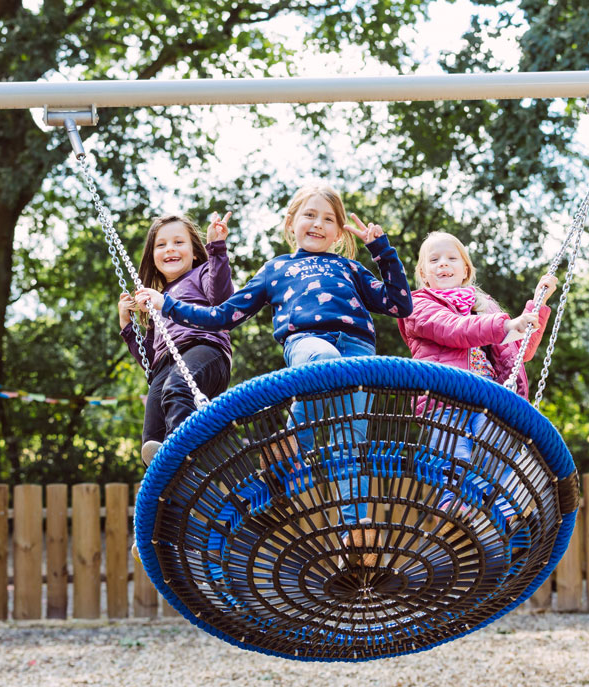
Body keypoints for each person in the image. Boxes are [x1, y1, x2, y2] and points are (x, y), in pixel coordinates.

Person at [135, 184, 413, 566]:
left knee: (351, 445)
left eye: (329, 219)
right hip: (308, 343)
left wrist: (381, 250)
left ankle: (354, 538)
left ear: (339, 232)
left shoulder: (350, 267)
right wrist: (169, 304)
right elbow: (222, 316)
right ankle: (287, 454)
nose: (318, 223)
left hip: (358, 352)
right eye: (309, 215)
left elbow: (399, 304)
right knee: (323, 360)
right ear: (291, 223)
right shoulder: (277, 269)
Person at [397, 230, 558, 535]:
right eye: (434, 259)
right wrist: (506, 325)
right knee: (453, 455)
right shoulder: (418, 305)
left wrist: (535, 306)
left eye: (451, 257)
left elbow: (518, 351)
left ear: (466, 269)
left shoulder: (485, 307)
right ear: (423, 273)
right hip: (445, 396)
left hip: (487, 398)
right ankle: (454, 508)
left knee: (498, 453)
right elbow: (454, 329)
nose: (443, 263)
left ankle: (507, 515)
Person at [119, 212, 234, 465]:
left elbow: (221, 299)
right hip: (165, 366)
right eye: (161, 245)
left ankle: (181, 463)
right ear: (153, 256)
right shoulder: (155, 300)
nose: (170, 249)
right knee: (152, 435)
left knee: (178, 388)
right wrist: (127, 325)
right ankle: (171, 500)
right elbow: (150, 361)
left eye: (178, 242)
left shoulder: (204, 272)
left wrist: (216, 248)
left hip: (204, 350)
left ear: (195, 251)